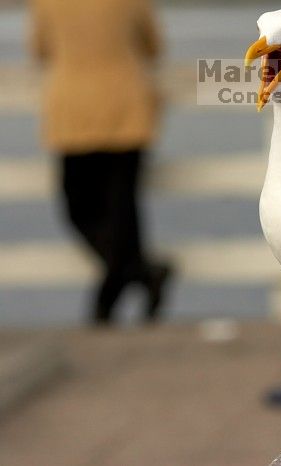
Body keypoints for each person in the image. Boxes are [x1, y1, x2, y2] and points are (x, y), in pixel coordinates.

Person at [29, 0, 173, 325]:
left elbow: (39, 50)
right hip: (126, 103)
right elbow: (154, 46)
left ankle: (119, 289)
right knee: (122, 208)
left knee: (79, 208)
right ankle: (138, 273)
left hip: (72, 108)